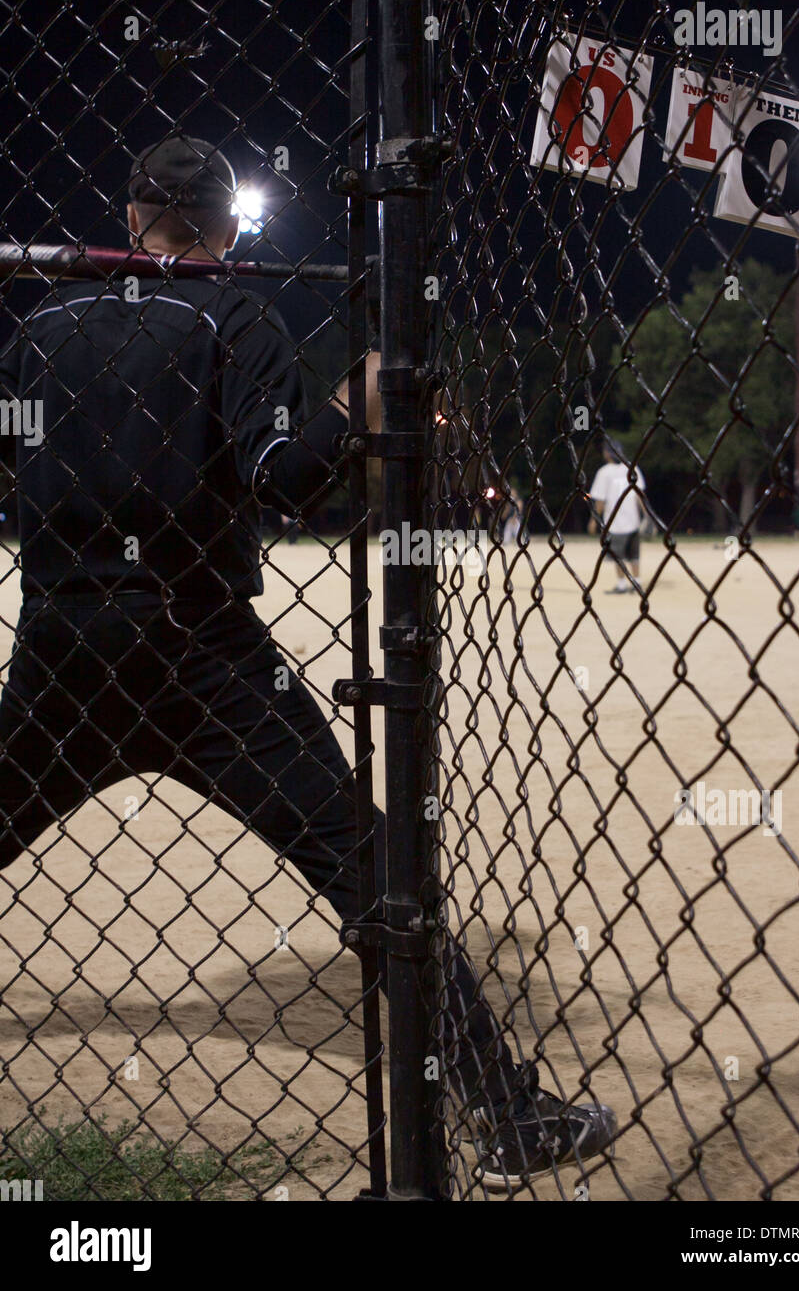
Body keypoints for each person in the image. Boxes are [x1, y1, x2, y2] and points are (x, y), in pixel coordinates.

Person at [0, 135, 615, 1190]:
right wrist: (359, 399)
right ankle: (502, 1113)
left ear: (134, 212)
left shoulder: (41, 325)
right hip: (204, 652)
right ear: (229, 225)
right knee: (371, 874)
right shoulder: (233, 311)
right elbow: (286, 480)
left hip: (62, 645)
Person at [589, 441, 647, 594]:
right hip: (633, 520)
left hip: (614, 523)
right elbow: (640, 496)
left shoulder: (604, 472)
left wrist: (594, 520)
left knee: (618, 556)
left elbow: (600, 500)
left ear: (608, 453)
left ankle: (622, 584)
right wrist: (647, 515)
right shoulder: (632, 468)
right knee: (634, 555)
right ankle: (637, 583)